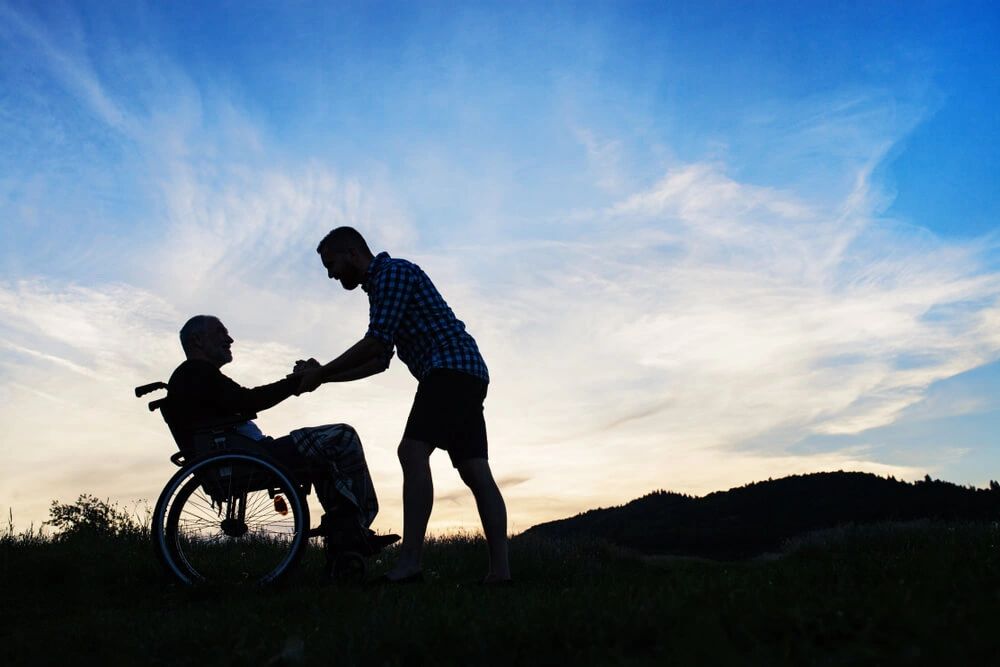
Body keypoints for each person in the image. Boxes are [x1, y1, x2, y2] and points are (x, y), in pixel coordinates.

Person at [296, 226, 511, 584]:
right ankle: (500, 574)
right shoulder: (380, 286)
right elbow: (379, 360)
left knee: (411, 452)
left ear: (351, 252)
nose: (331, 274)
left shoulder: (392, 273)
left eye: (331, 264)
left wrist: (321, 372)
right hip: (465, 373)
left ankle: (410, 562)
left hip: (448, 369)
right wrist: (325, 378)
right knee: (475, 471)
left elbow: (375, 341)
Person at [163, 314, 398, 554]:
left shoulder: (196, 375)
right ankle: (357, 527)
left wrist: (299, 380)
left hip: (247, 452)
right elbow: (248, 400)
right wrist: (295, 383)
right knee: (342, 437)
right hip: (253, 456)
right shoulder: (195, 373)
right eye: (221, 333)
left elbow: (243, 400)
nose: (230, 339)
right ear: (198, 340)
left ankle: (347, 533)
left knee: (324, 458)